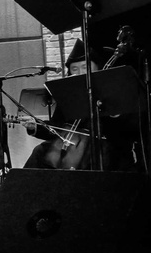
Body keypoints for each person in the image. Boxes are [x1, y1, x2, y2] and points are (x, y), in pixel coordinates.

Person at [22, 39, 138, 171]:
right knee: (40, 152)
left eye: (85, 67)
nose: (80, 73)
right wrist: (36, 126)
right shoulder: (69, 96)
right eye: (74, 69)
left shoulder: (113, 91)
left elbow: (130, 130)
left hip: (108, 150)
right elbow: (58, 128)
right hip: (74, 150)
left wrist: (114, 113)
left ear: (97, 67)